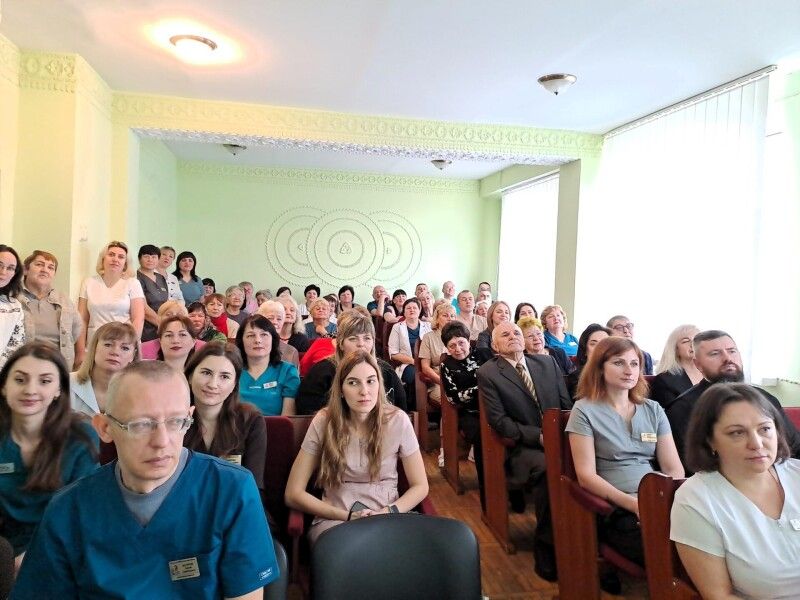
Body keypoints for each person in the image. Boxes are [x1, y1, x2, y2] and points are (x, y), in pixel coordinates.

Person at [12, 360, 279, 598]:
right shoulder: (68, 511)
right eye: (141, 424)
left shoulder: (231, 491)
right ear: (105, 428)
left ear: (189, 419)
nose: (162, 442)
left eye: (175, 422)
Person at [284, 351, 428, 545]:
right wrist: (347, 516)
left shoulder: (398, 420)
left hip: (387, 518)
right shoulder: (324, 421)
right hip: (335, 520)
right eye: (353, 383)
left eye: (371, 381)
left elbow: (420, 486)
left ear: (379, 385)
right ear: (341, 390)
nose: (364, 391)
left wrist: (388, 511)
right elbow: (293, 493)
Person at [671, 383, 800, 599]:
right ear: (710, 441)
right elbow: (719, 596)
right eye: (737, 433)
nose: (756, 443)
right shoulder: (695, 500)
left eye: (764, 429)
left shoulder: (796, 473)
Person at [566, 336, 683, 568]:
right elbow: (586, 476)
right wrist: (635, 505)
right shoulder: (584, 410)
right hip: (616, 506)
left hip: (657, 498)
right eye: (619, 363)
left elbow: (673, 468)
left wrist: (669, 500)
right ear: (600, 368)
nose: (629, 370)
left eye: (634, 363)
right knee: (667, 550)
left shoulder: (653, 409)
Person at [477, 321, 572, 581]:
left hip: (559, 438)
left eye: (517, 333)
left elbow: (566, 405)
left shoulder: (547, 363)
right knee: (549, 469)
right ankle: (546, 546)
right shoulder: (489, 372)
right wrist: (538, 436)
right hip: (522, 446)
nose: (513, 336)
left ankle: (584, 540)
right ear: (495, 346)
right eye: (505, 334)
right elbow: (500, 422)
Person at [0, 343, 98, 569]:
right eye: (20, 380)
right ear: (4, 386)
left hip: (61, 549)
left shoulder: (80, 437)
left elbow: (81, 513)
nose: (30, 390)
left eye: (44, 381)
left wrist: (32, 558)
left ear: (58, 390)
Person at [666, 329, 800, 467]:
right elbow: (693, 463)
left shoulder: (765, 398)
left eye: (732, 351)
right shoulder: (683, 407)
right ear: (698, 364)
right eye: (715, 354)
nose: (728, 358)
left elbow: (795, 446)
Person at [183, 343, 268, 509]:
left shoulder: (251, 420)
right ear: (190, 376)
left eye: (224, 377)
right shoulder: (172, 420)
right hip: (185, 510)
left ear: (234, 384)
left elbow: (252, 486)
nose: (213, 384)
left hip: (237, 509)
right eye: (206, 373)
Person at [297, 310, 406, 414]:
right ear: (341, 344)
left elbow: (401, 410)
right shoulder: (321, 371)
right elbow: (308, 414)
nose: (361, 344)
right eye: (353, 338)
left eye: (367, 338)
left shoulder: (386, 370)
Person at [440, 321, 494, 506]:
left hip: (494, 408)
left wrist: (477, 390)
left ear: (468, 340)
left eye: (461, 343)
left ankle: (511, 487)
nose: (458, 349)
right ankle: (487, 490)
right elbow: (453, 398)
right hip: (470, 413)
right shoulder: (447, 365)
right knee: (481, 437)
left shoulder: (484, 354)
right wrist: (480, 389)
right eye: (452, 346)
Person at [19, 250, 82, 369]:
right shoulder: (13, 298)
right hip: (23, 366)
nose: (45, 270)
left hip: (58, 367)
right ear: (25, 270)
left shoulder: (64, 300)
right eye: (39, 264)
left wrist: (79, 357)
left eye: (50, 267)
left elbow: (76, 330)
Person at [78, 241, 144, 347]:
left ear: (125, 263)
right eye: (111, 255)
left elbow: (138, 319)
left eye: (121, 257)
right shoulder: (88, 282)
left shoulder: (133, 283)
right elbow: (82, 320)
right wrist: (80, 351)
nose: (115, 259)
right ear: (103, 259)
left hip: (123, 344)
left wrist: (129, 346)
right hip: (95, 344)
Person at [71, 322, 139, 417]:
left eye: (125, 348)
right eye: (108, 345)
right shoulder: (66, 382)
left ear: (133, 355)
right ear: (94, 347)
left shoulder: (139, 392)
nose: (115, 352)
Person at [236, 315, 300, 416]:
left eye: (264, 335)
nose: (258, 340)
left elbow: (287, 418)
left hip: (275, 426)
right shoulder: (232, 370)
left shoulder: (287, 371)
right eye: (251, 335)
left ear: (273, 340)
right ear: (241, 341)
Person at [388, 298, 432, 412]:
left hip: (428, 363)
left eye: (414, 308)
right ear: (404, 311)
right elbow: (393, 353)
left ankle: (430, 411)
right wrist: (414, 362)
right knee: (414, 376)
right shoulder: (397, 327)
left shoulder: (428, 326)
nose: (412, 310)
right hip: (407, 364)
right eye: (408, 308)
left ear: (419, 310)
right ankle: (414, 411)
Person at [650, 324, 703, 410]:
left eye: (696, 340)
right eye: (686, 341)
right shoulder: (664, 380)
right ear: (675, 349)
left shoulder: (714, 373)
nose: (693, 344)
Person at [419, 302, 456, 405]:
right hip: (437, 381)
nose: (450, 319)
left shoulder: (460, 336)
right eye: (445, 315)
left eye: (452, 316)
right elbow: (425, 368)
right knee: (451, 398)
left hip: (459, 378)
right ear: (437, 319)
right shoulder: (428, 337)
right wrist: (442, 382)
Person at [565, 323, 612, 399]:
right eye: (593, 344)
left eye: (605, 344)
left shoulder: (620, 374)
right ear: (585, 350)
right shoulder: (576, 378)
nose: (599, 348)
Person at [0, 245, 26, 371]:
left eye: (10, 268)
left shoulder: (14, 306)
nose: (3, 272)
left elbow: (15, 345)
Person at [136, 244, 169, 342]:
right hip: (146, 328)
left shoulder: (160, 278)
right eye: (146, 256)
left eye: (154, 257)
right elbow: (143, 308)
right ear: (139, 259)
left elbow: (166, 302)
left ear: (158, 259)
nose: (150, 260)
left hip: (163, 326)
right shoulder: (136, 278)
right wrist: (163, 325)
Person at [256, 300, 300, 367]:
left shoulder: (291, 352)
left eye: (279, 319)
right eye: (270, 318)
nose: (275, 322)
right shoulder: (251, 347)